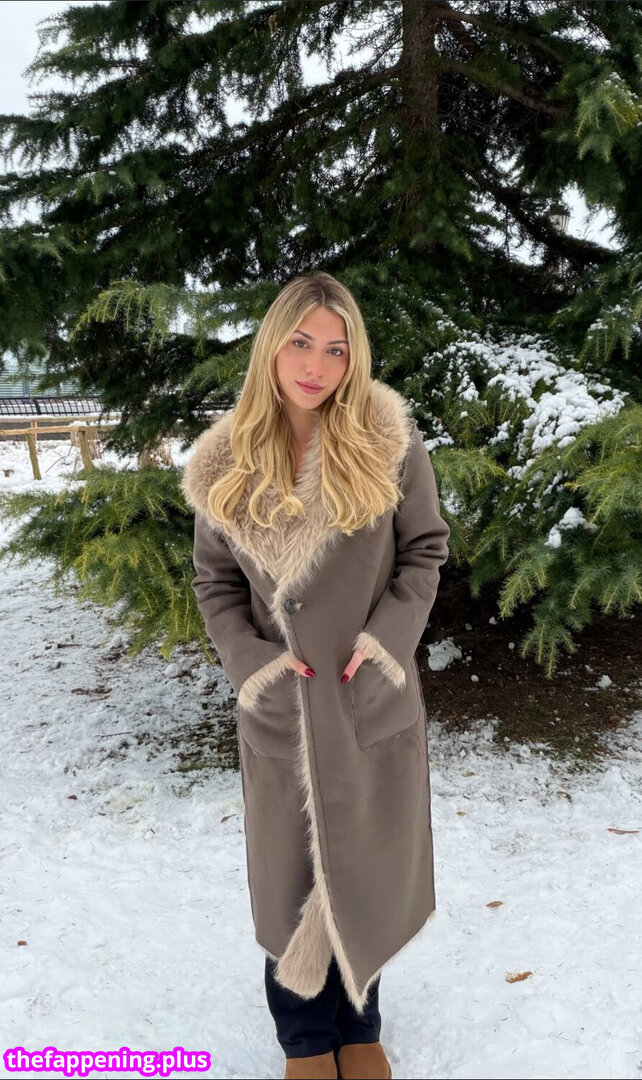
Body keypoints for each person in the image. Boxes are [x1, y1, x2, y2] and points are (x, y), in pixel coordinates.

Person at [181, 271, 450, 1080]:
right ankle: (304, 1039)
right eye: (301, 342)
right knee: (290, 878)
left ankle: (361, 1025)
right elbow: (214, 583)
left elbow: (425, 551)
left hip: (366, 696)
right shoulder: (225, 462)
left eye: (337, 349)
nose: (317, 365)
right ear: (273, 345)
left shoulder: (388, 441)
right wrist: (251, 665)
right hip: (284, 706)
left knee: (364, 864)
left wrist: (387, 641)